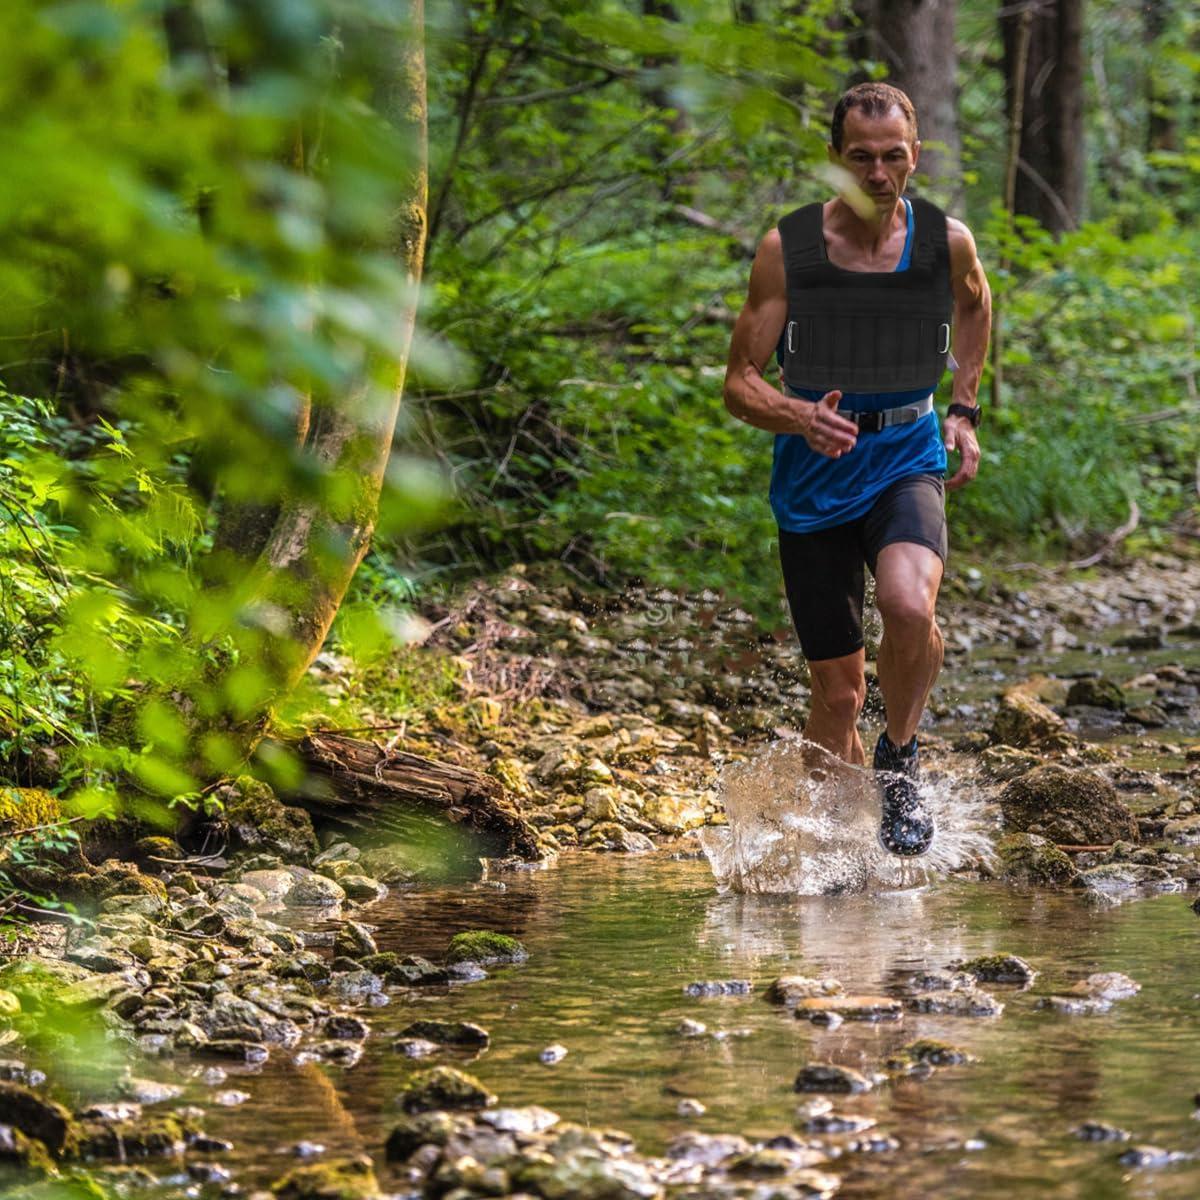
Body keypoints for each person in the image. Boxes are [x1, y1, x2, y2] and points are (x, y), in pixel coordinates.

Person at [722, 82, 992, 856]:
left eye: (894, 157)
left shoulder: (947, 241)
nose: (879, 175)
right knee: (838, 695)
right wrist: (799, 415)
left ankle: (900, 757)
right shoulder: (791, 251)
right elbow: (739, 383)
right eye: (862, 158)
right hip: (814, 479)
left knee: (909, 607)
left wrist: (963, 410)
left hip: (907, 453)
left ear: (916, 155)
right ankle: (835, 855)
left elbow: (975, 307)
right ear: (835, 160)